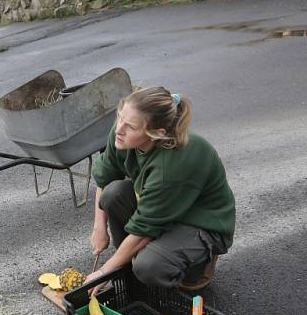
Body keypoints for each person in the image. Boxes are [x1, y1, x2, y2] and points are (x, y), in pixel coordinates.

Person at [85, 87, 235, 291]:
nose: (119, 129)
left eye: (130, 126)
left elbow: (144, 229)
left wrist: (104, 272)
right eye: (120, 117)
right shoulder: (121, 133)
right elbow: (105, 179)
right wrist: (99, 228)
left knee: (149, 266)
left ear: (157, 133)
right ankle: (127, 264)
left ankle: (196, 267)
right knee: (113, 193)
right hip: (162, 207)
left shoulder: (171, 165)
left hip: (200, 221)